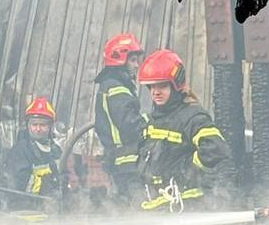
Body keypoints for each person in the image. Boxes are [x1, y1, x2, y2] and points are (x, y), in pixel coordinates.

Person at [136, 49, 232, 211]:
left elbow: (216, 148)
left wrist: (185, 172)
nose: (156, 92)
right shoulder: (154, 119)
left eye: (162, 86)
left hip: (186, 206)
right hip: (158, 206)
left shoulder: (192, 116)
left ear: (175, 86)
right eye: (152, 86)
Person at [93, 33, 146, 203]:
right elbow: (129, 125)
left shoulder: (112, 85)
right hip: (126, 161)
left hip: (121, 160)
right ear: (119, 60)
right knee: (139, 205)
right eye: (132, 60)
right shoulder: (116, 88)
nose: (137, 65)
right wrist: (151, 123)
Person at [4, 97, 63, 216]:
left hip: (51, 212)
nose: (38, 129)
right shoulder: (20, 152)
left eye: (42, 125)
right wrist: (46, 186)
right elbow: (17, 189)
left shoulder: (56, 150)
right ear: (28, 125)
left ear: (50, 126)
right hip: (25, 213)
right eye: (34, 124)